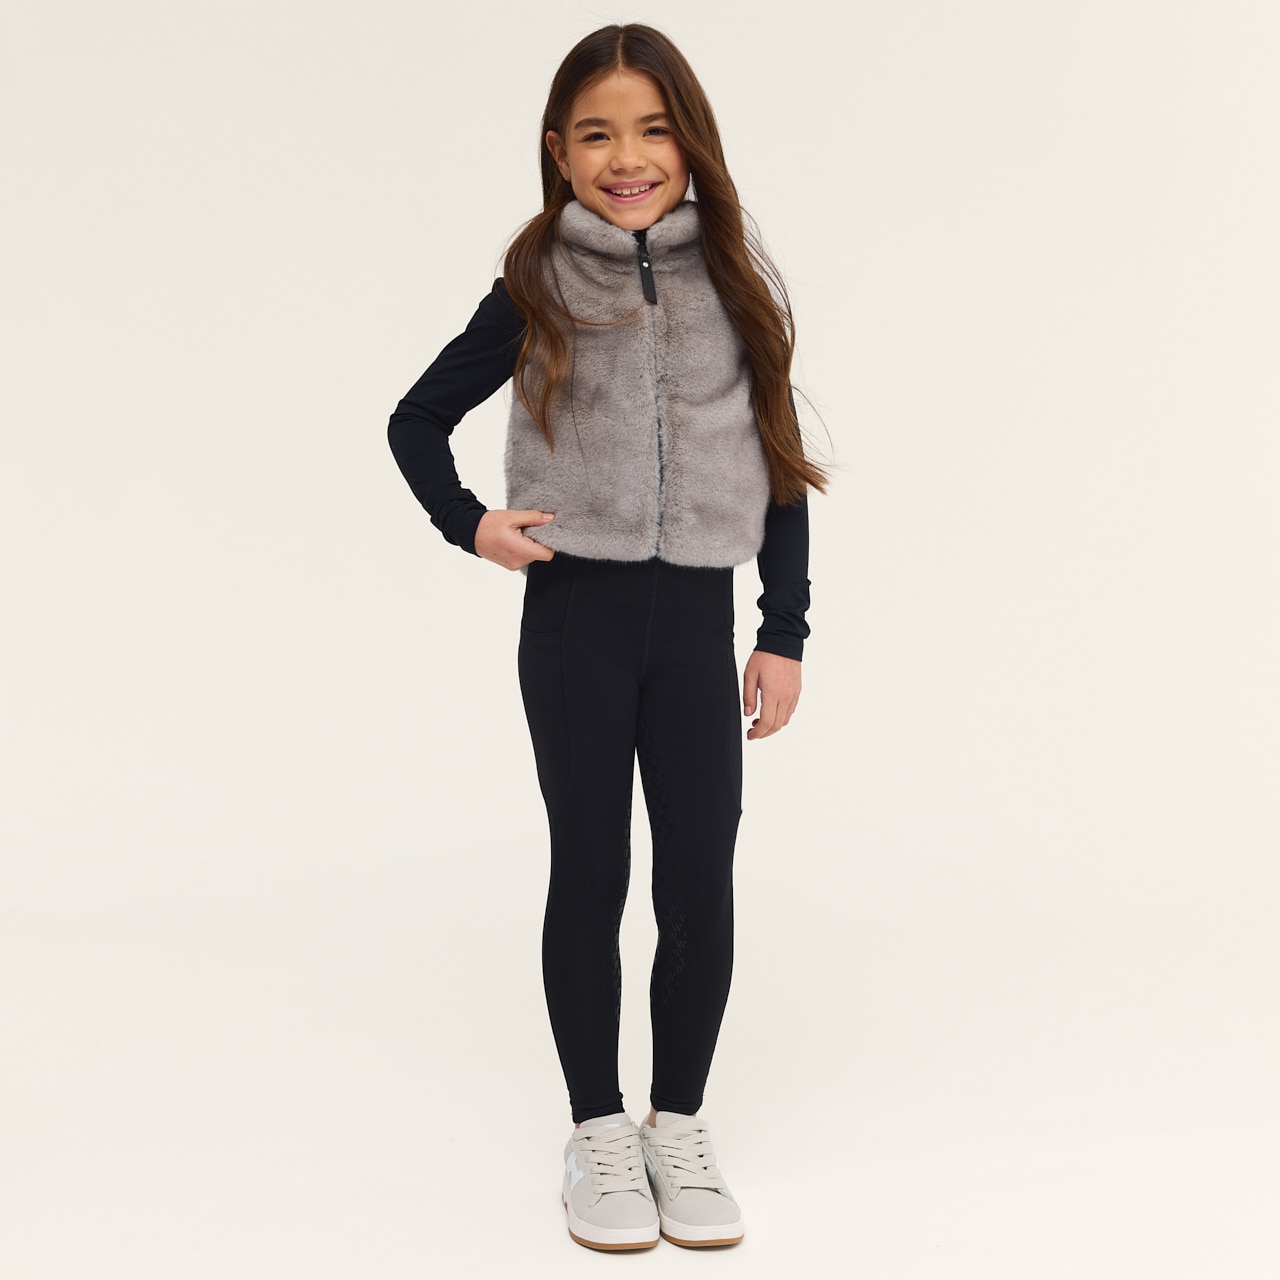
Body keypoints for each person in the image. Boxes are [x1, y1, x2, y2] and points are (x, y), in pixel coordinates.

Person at [386, 22, 827, 1252]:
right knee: (590, 867)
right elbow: (415, 418)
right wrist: (470, 522)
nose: (626, 157)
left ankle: (675, 1122)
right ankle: (595, 1130)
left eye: (651, 129)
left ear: (689, 141)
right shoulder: (536, 279)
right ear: (558, 150)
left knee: (698, 875)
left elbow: (780, 469)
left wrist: (781, 630)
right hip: (574, 616)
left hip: (695, 622)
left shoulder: (733, 276)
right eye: (596, 134)